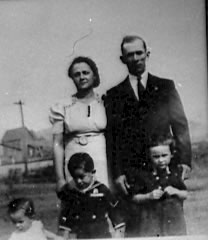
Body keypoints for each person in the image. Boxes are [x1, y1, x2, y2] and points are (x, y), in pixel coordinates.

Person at [104, 35, 192, 195]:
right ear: (122, 59)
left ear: (147, 54)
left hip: (165, 167)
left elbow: (180, 126)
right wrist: (117, 173)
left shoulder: (165, 87)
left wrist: (185, 161)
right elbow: (112, 137)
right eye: (130, 55)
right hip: (133, 171)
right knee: (139, 218)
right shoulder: (114, 95)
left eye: (139, 53)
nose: (135, 58)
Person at [49, 56, 109, 192]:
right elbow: (57, 145)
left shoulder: (105, 102)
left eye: (86, 73)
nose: (81, 77)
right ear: (72, 78)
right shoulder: (63, 106)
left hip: (101, 160)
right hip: (73, 162)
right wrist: (59, 179)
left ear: (94, 75)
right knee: (76, 204)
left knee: (102, 200)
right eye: (77, 74)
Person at [125, 134, 188, 237]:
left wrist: (175, 191)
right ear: (149, 156)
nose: (161, 160)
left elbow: (185, 194)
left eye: (164, 155)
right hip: (151, 220)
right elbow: (134, 198)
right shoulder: (144, 175)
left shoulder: (174, 173)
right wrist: (148, 196)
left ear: (171, 154)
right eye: (156, 157)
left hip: (173, 219)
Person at [57, 152, 125, 239]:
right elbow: (67, 215)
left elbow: (115, 211)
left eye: (81, 177)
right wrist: (64, 233)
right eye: (75, 177)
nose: (78, 181)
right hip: (81, 235)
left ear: (92, 172)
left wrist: (119, 231)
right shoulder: (73, 194)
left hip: (101, 234)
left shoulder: (102, 190)